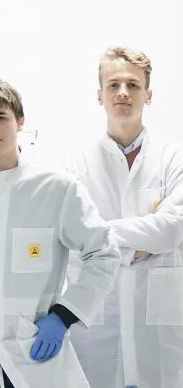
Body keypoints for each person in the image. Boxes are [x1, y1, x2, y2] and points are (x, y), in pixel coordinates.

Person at [0, 77, 120, 388]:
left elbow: (103, 254)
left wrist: (63, 316)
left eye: (0, 117)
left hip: (33, 349)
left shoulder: (57, 188)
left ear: (20, 121)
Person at [66, 47, 183, 388]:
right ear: (99, 95)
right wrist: (143, 242)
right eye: (113, 84)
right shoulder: (77, 166)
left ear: (148, 94)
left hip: (159, 321)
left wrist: (103, 235)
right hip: (99, 320)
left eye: (133, 85)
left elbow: (172, 229)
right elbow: (76, 237)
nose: (122, 92)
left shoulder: (174, 157)